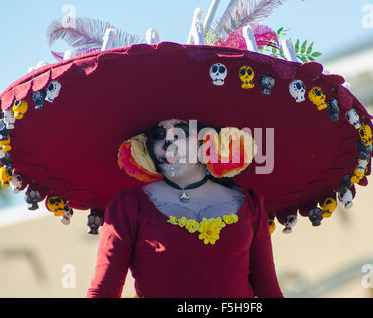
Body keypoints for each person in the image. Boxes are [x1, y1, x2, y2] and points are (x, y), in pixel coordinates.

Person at [86, 119, 284, 298]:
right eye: (158, 135)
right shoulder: (128, 206)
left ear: (206, 141)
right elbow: (103, 292)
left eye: (180, 131)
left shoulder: (249, 204)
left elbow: (269, 292)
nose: (168, 142)